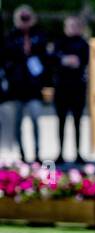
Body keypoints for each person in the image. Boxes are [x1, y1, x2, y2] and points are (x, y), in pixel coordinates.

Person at [3, 6, 48, 163]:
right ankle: (21, 154)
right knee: (17, 124)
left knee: (36, 119)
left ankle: (36, 153)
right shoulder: (10, 37)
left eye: (27, 18)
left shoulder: (39, 36)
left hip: (34, 88)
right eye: (22, 18)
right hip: (16, 88)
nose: (25, 21)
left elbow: (45, 59)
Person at [52, 16, 89, 163]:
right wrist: (65, 60)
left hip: (77, 89)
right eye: (70, 25)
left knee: (77, 121)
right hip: (61, 89)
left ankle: (78, 153)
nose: (72, 28)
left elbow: (83, 61)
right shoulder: (59, 43)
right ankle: (60, 153)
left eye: (75, 25)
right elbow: (53, 59)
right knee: (61, 121)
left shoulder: (83, 44)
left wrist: (70, 61)